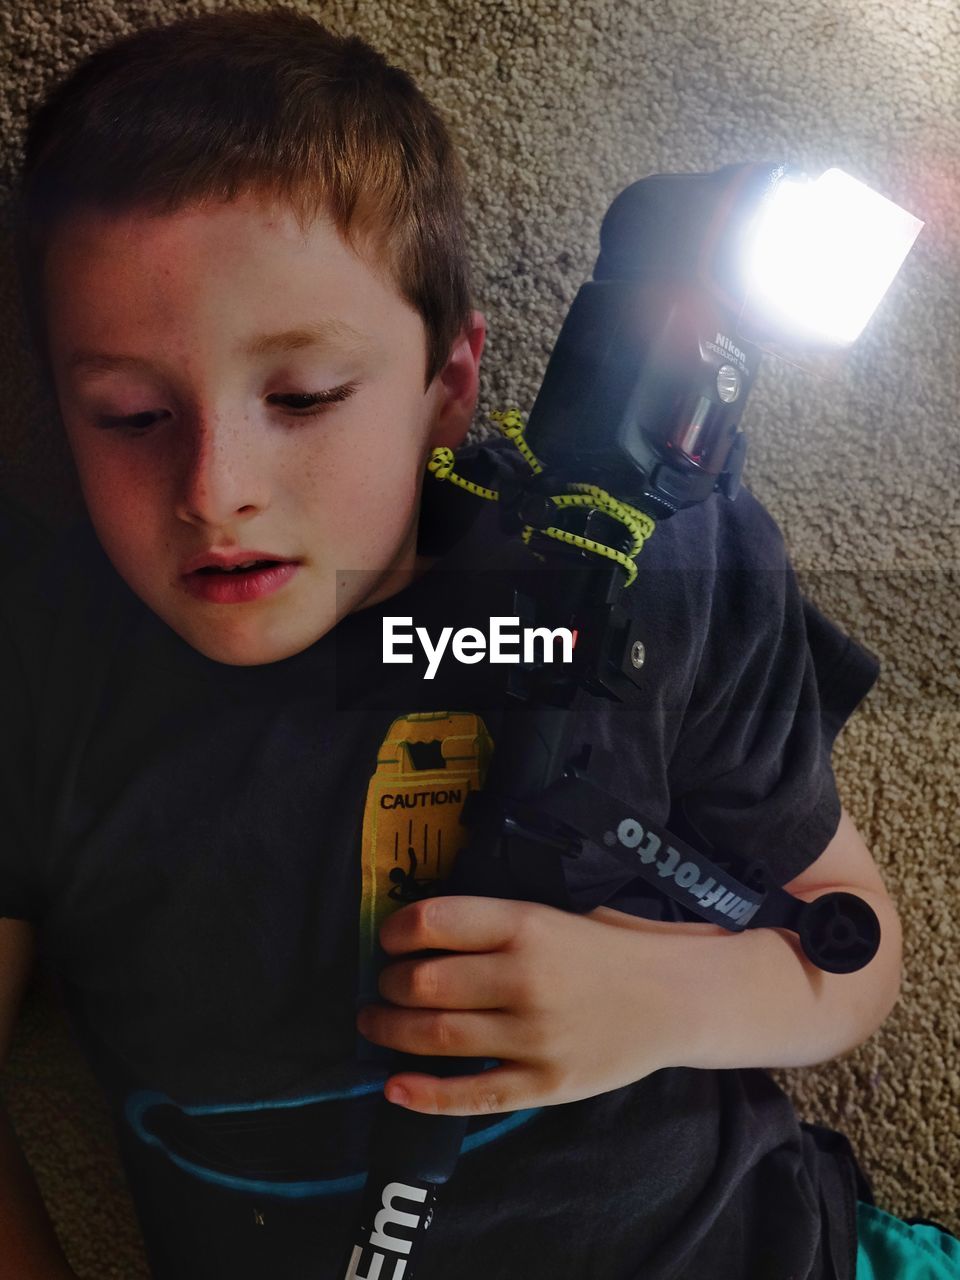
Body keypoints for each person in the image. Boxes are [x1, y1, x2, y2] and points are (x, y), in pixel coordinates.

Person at [0, 8, 950, 1279]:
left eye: (304, 397)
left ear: (451, 382)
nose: (214, 486)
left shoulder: (643, 567)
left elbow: (853, 940)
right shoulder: (45, 671)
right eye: (129, 412)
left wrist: (654, 998)